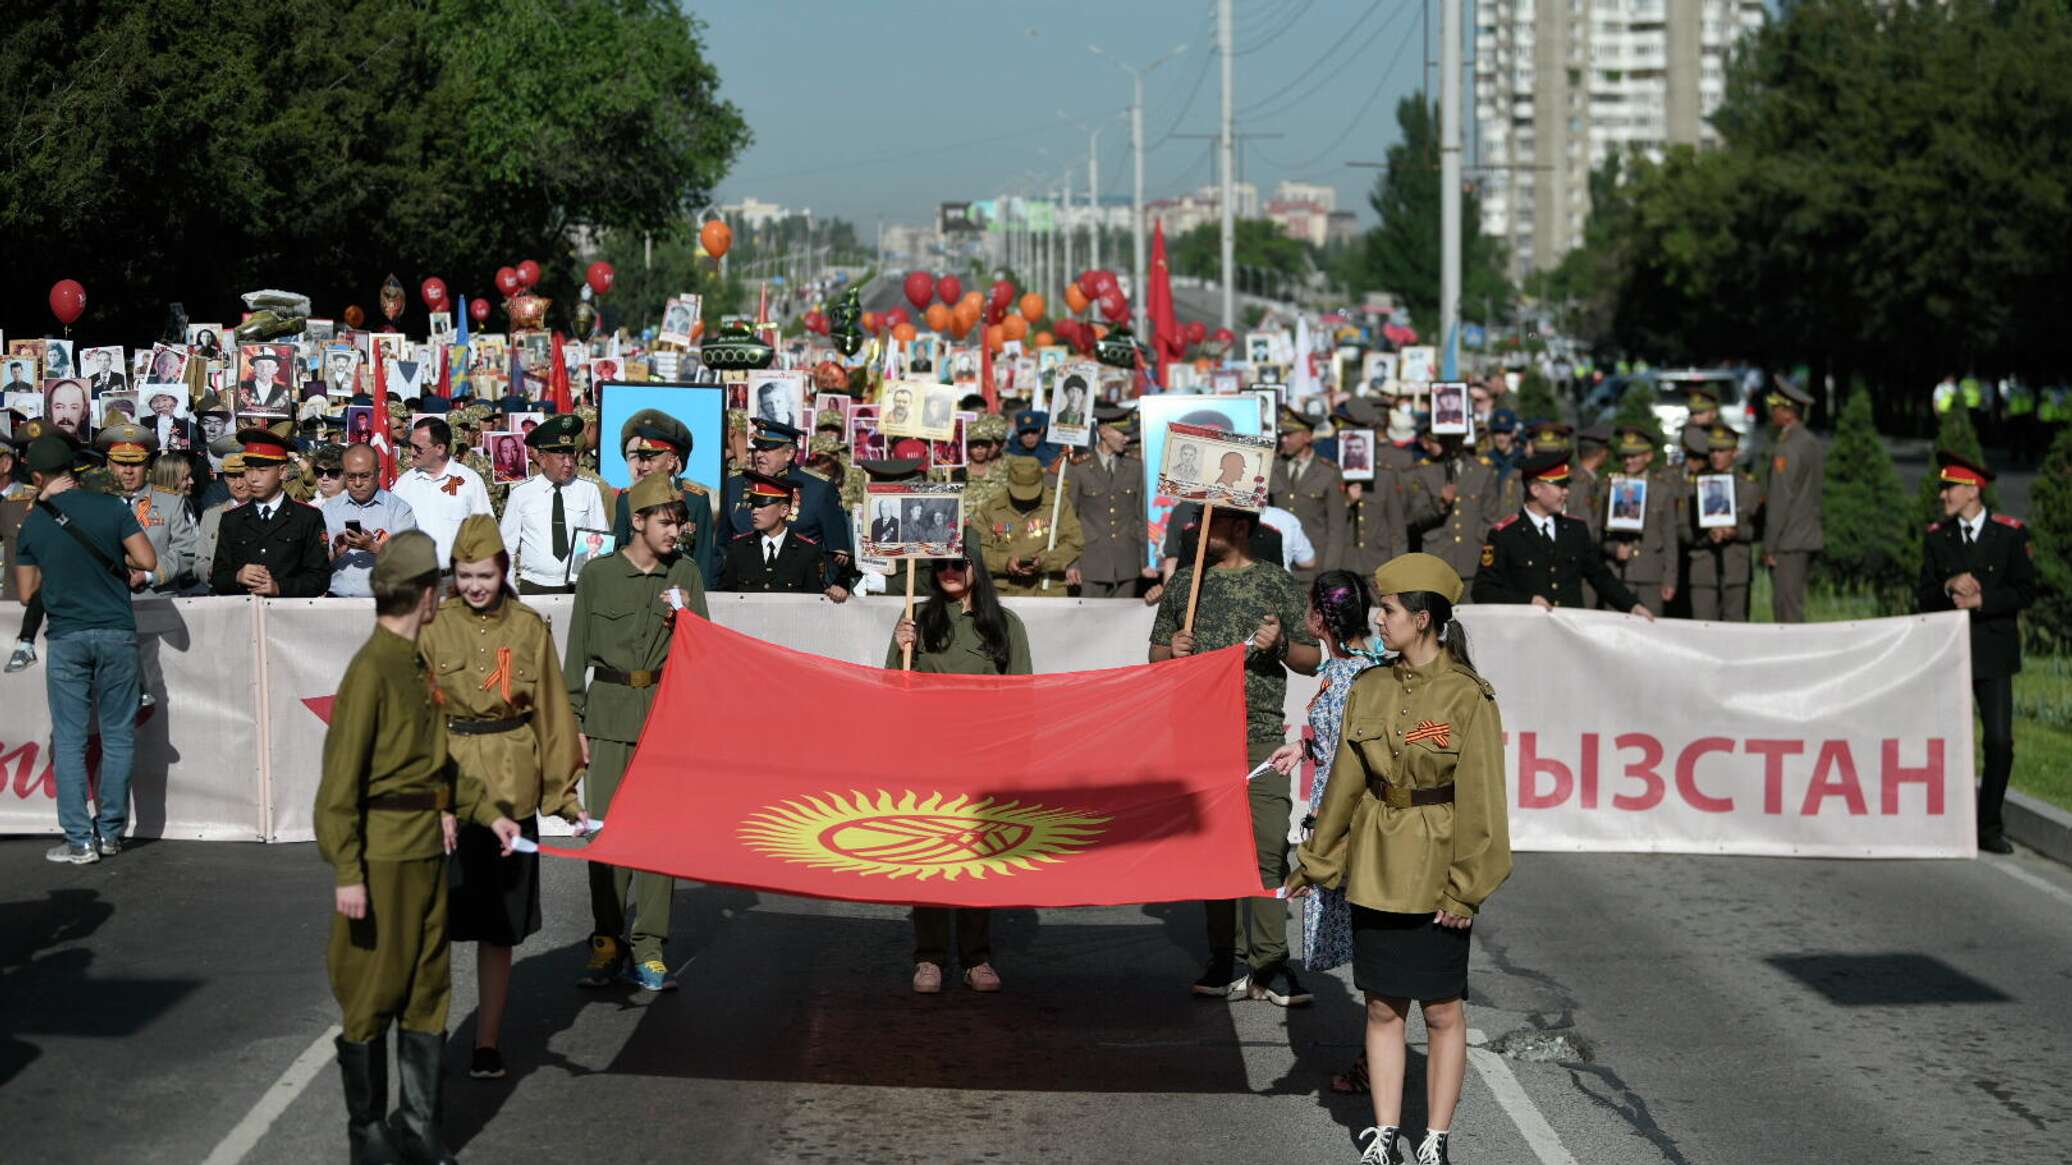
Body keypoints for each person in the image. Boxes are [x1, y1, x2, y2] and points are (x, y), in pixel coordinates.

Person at [1287, 553, 1512, 1165]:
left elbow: (1484, 802)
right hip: (1377, 868)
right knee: (1382, 1006)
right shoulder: (1370, 686)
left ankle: (1435, 1138)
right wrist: (1316, 860)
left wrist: (1466, 889)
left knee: (1442, 1011)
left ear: (1422, 617)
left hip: (1438, 872)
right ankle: (1385, 1135)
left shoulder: (1468, 697)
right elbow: (1344, 786)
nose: (1378, 618)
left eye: (1387, 609)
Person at [316, 530, 514, 1164]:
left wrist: (488, 813)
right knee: (372, 990)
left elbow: (440, 764)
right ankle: (369, 1138)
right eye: (441, 585)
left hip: (429, 852)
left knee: (428, 988)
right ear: (425, 594)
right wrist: (348, 869)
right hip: (381, 856)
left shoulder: (414, 663)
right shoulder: (372, 670)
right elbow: (339, 783)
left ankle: (419, 1132)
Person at [421, 516, 585, 1079]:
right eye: (464, 575)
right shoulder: (434, 627)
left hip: (511, 788)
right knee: (434, 925)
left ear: (503, 571)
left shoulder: (528, 628)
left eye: (484, 575)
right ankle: (431, 1033)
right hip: (450, 790)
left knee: (498, 928)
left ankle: (486, 1041)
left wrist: (564, 797)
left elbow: (554, 716)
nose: (474, 586)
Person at [1150, 505, 1321, 1007]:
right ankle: (1225, 958)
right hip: (1200, 736)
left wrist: (1282, 643)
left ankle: (1271, 963)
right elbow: (1156, 655)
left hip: (1261, 733)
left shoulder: (1277, 582)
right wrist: (1172, 651)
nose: (1201, 532)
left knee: (1268, 846)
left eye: (1214, 523)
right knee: (1215, 851)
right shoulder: (1185, 585)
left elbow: (1312, 659)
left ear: (1240, 528)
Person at [566, 471, 710, 992]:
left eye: (679, 523)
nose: (675, 532)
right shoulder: (597, 575)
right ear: (639, 521)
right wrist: (573, 725)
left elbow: (701, 657)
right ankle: (607, 941)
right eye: (667, 522)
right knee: (604, 834)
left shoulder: (686, 574)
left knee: (659, 837)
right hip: (605, 717)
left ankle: (649, 948)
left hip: (662, 720)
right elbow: (575, 653)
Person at [887, 535, 1030, 993]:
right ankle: (929, 958)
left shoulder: (1005, 625)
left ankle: (976, 958)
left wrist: (1016, 763)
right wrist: (899, 647)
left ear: (976, 568)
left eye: (959, 563)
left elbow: (1021, 696)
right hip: (928, 757)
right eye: (942, 563)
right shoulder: (915, 620)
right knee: (930, 855)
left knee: (976, 859)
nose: (949, 570)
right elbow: (894, 690)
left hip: (983, 759)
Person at [1266, 569, 1388, 1096]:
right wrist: (1306, 748)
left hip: (1349, 831)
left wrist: (1321, 842)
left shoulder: (1345, 677)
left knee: (1373, 951)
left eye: (1309, 607)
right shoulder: (1370, 662)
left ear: (1321, 618)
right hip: (1362, 826)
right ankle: (1376, 1052)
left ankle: (1376, 1059)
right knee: (1373, 949)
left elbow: (1350, 761)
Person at [11, 435, 158, 863]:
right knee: (117, 737)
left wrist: (56, 566)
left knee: (71, 741)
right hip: (116, 631)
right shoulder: (112, 507)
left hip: (67, 636)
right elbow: (147, 561)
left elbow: (26, 594)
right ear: (73, 469)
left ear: (37, 476)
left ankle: (79, 840)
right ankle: (111, 833)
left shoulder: (34, 522)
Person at [1918, 451, 2035, 855]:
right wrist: (1948, 587)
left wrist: (1983, 600)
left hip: (1993, 653)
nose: (1943, 495)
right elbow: (1923, 595)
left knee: (1999, 741)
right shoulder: (1937, 537)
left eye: (1950, 488)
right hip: (1949, 654)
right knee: (1942, 742)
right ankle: (1943, 821)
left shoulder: (2010, 535)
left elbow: (2025, 592)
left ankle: (1988, 826)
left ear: (1972, 491)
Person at [1474, 451, 1654, 618]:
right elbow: (1483, 590)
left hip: (1569, 633)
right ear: (1536, 490)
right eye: (1560, 486)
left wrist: (1632, 605)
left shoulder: (1575, 530)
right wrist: (1526, 601)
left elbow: (1600, 576)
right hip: (1528, 635)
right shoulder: (1505, 535)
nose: (1566, 492)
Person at [721, 419, 855, 593]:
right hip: (744, 593)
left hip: (797, 595)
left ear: (789, 453)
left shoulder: (818, 489)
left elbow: (837, 555)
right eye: (757, 448)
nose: (759, 455)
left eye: (767, 449)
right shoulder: (735, 484)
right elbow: (721, 548)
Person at [209, 429, 331, 597]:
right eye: (249, 469)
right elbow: (218, 577)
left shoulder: (307, 517)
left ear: (282, 472)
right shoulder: (232, 519)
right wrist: (237, 577)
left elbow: (320, 578)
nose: (253, 478)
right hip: (246, 614)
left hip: (287, 616)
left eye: (262, 470)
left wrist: (280, 587)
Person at [498, 414, 607, 595]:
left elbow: (600, 539)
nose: (568, 463)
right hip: (534, 585)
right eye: (561, 457)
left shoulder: (589, 490)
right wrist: (510, 592)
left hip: (578, 585)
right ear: (542, 459)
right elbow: (506, 548)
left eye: (571, 456)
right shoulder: (521, 493)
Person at [610, 408, 720, 587]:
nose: (643, 466)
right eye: (642, 458)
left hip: (680, 593)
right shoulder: (626, 499)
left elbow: (703, 561)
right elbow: (619, 555)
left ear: (671, 462)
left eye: (651, 459)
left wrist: (700, 603)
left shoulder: (696, 500)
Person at [98, 422, 198, 594]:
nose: (128, 471)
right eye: (121, 463)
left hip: (155, 600)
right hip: (104, 600)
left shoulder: (171, 501)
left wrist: (149, 575)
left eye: (136, 464)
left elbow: (187, 552)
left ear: (147, 465)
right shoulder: (93, 503)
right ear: (109, 464)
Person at [1067, 404, 1154, 597]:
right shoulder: (1079, 469)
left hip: (1127, 564)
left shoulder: (1135, 467)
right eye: (1122, 433)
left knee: (1123, 625)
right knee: (1089, 622)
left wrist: (1146, 561)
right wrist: (1071, 563)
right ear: (1103, 431)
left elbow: (1141, 517)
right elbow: (1069, 520)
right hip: (1090, 563)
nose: (1127, 438)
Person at [1681, 426, 1762, 622]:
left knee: (1735, 632)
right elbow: (1682, 530)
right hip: (1703, 569)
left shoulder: (1749, 487)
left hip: (1736, 570)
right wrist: (1706, 537)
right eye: (1713, 451)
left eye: (1722, 451)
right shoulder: (1694, 486)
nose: (1716, 456)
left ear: (1735, 452)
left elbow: (1759, 531)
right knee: (1703, 629)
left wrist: (1736, 533)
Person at [390, 416, 493, 566]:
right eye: (410, 446)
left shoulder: (470, 481)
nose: (412, 452)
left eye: (418, 448)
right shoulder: (404, 483)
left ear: (440, 448)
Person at [977, 456, 1084, 597]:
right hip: (1005, 594)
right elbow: (978, 550)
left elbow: (1074, 542)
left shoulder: (1058, 504)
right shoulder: (991, 508)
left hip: (1047, 591)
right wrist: (1006, 563)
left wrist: (1045, 560)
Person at [1404, 434, 1499, 592]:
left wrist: (1479, 541)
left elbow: (1491, 519)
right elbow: (1415, 518)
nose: (1452, 442)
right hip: (1437, 559)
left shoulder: (1482, 471)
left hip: (1472, 560)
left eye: (1456, 437)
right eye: (1446, 437)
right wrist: (1440, 504)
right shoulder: (1425, 472)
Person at [1600, 426, 1680, 616]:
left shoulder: (1662, 490)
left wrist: (1670, 579)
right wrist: (1613, 548)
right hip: (1618, 575)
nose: (1628, 461)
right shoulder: (1610, 487)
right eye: (1625, 456)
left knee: (1651, 632)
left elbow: (1670, 537)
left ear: (1649, 456)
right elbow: (1598, 532)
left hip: (1651, 575)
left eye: (1634, 456)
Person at [322, 444, 419, 598]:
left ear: (379, 473)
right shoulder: (329, 510)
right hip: (337, 602)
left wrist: (372, 547)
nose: (358, 483)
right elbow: (313, 563)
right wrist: (335, 552)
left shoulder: (399, 510)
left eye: (365, 475)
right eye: (351, 476)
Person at [716, 470, 836, 595]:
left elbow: (814, 601)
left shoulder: (807, 552)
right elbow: (725, 596)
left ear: (784, 510)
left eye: (762, 505)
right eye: (753, 505)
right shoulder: (738, 549)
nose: (754, 511)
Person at [1762, 379, 1823, 622]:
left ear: (1788, 413)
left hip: (1788, 541)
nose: (1771, 412)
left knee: (1786, 611)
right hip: (1805, 535)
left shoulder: (1786, 448)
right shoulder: (1810, 441)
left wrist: (1769, 545)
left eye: (1775, 407)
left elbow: (1780, 500)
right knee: (1793, 604)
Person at [1270, 407, 1347, 582]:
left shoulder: (1328, 472)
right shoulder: (1273, 467)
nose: (1284, 439)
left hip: (1313, 569)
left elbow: (1337, 529)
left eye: (1290, 434)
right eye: (1283, 434)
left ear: (1307, 437)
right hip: (1277, 567)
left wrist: (1328, 573)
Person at [240, 349, 292, 414]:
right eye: (260, 365)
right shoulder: (241, 386)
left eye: (269, 365)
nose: (264, 369)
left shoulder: (283, 391)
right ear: (254, 369)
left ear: (276, 370)